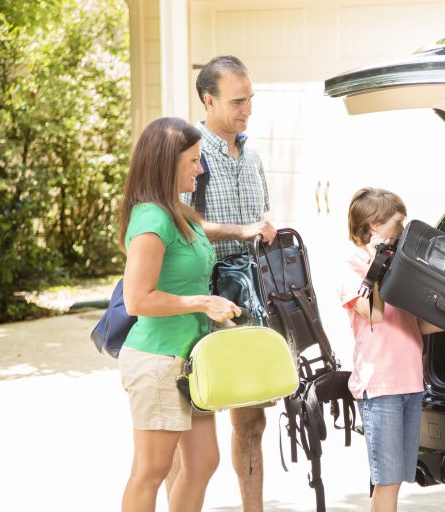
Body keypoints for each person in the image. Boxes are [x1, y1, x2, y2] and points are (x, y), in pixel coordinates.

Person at [117, 116, 242, 512]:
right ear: (166, 163)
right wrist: (204, 303)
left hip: (190, 361)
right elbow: (138, 299)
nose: (200, 169)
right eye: (192, 161)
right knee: (151, 471)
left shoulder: (180, 212)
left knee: (204, 462)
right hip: (158, 360)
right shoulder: (152, 219)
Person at [173, 55, 276, 512]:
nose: (247, 108)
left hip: (250, 300)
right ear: (208, 100)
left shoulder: (252, 156)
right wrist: (241, 231)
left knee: (251, 420)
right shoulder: (188, 157)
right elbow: (180, 223)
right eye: (238, 100)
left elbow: (260, 223)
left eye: (250, 98)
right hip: (201, 300)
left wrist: (265, 230)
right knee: (189, 421)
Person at [337, 187, 440, 512]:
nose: (402, 228)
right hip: (381, 385)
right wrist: (378, 267)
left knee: (397, 478)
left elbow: (415, 324)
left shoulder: (401, 267)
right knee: (386, 479)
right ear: (373, 225)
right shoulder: (351, 268)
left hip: (410, 382)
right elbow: (375, 313)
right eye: (397, 222)